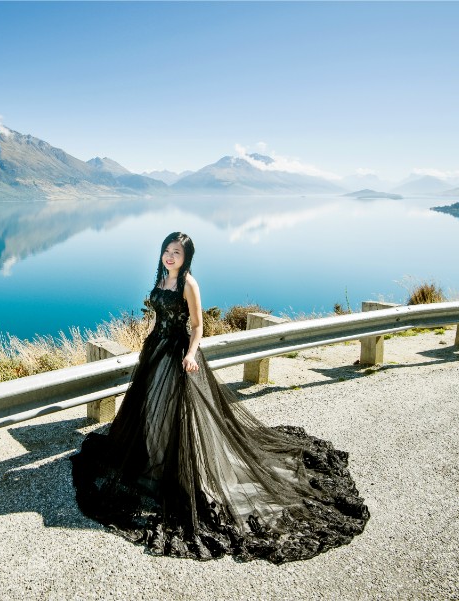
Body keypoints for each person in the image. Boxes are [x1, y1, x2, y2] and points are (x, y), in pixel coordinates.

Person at [70, 232, 369, 562]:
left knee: (173, 413)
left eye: (177, 253)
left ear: (187, 258)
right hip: (155, 350)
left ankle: (179, 470)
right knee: (150, 411)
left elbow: (197, 326)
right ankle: (156, 463)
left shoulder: (189, 284)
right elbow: (160, 316)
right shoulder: (162, 278)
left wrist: (191, 354)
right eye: (167, 251)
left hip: (178, 356)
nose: (170, 256)